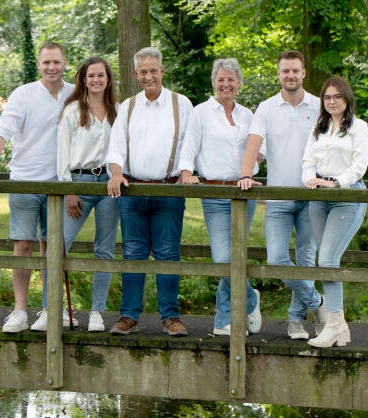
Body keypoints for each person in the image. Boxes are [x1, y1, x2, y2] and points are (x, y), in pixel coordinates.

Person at [0, 41, 75, 333]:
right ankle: (19, 311)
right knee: (23, 245)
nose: (52, 67)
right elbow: (1, 133)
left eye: (56, 62)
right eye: (46, 63)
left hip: (58, 184)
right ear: (39, 65)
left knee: (52, 247)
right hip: (24, 180)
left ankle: (49, 309)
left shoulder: (73, 94)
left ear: (65, 63)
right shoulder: (23, 95)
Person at [237, 50, 325, 340]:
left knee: (305, 260)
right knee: (276, 259)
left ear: (303, 73)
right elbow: (253, 145)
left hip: (311, 197)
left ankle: (295, 321)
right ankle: (319, 304)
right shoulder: (266, 108)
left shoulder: (319, 105)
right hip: (278, 197)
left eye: (295, 71)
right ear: (279, 74)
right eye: (285, 71)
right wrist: (246, 174)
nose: (290, 76)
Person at [105, 47, 194, 336]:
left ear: (162, 71)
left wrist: (185, 172)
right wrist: (116, 173)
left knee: (168, 253)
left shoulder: (182, 104)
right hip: (133, 190)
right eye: (143, 71)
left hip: (169, 189)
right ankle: (129, 316)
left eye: (153, 70)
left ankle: (170, 317)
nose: (148, 76)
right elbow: (116, 146)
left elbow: (189, 146)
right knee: (132, 252)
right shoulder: (128, 106)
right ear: (135, 74)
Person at [30, 57, 119, 333]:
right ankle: (49, 309)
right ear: (83, 79)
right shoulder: (72, 110)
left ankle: (96, 312)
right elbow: (62, 153)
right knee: (58, 245)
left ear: (108, 79)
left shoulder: (117, 110)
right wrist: (68, 189)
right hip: (78, 182)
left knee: (104, 250)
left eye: (100, 75)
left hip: (108, 186)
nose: (95, 80)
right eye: (90, 75)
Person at [179, 58, 263, 336]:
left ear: (239, 83)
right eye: (221, 79)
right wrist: (187, 172)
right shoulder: (200, 112)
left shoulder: (248, 115)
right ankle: (251, 300)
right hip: (215, 192)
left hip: (244, 193)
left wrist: (254, 168)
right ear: (213, 82)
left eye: (231, 79)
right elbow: (189, 144)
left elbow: (259, 148)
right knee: (221, 258)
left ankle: (225, 320)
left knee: (236, 255)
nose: (225, 84)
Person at [302, 77, 368, 347]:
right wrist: (310, 178)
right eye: (327, 97)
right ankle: (340, 327)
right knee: (325, 260)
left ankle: (332, 327)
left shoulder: (358, 128)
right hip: (318, 198)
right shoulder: (318, 128)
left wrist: (336, 183)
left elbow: (359, 165)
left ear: (346, 99)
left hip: (347, 194)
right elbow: (307, 160)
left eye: (337, 97)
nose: (332, 101)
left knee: (328, 260)